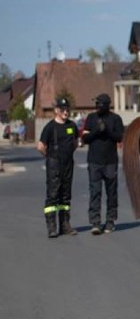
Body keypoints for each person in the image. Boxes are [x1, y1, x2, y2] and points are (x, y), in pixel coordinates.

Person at [82, 93, 125, 234]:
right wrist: (96, 131)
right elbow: (85, 138)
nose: (97, 106)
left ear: (107, 105)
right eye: (96, 103)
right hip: (94, 161)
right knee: (95, 192)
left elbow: (120, 137)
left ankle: (110, 221)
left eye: (100, 104)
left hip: (110, 162)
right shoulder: (91, 118)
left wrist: (108, 131)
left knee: (111, 193)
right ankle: (95, 222)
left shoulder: (115, 119)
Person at [37, 97, 79, 238]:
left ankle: (65, 225)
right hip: (54, 164)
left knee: (66, 196)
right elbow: (40, 147)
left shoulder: (72, 126)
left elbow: (75, 143)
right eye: (63, 110)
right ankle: (52, 227)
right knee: (53, 196)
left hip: (68, 164)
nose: (66, 112)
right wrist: (50, 157)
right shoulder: (50, 127)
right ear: (56, 111)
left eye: (67, 110)